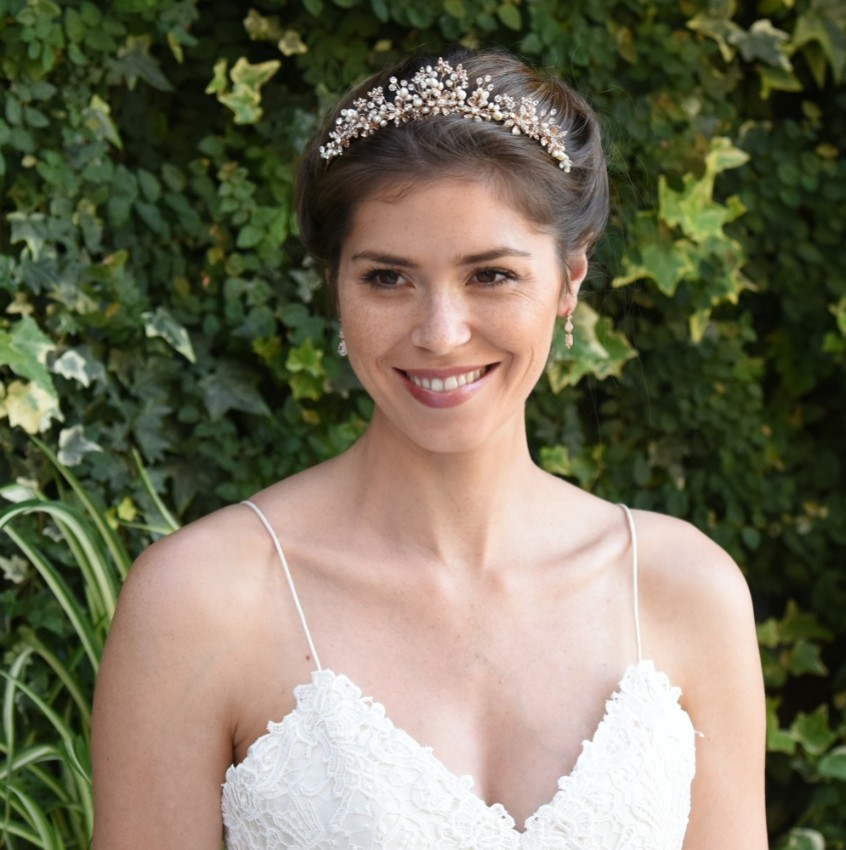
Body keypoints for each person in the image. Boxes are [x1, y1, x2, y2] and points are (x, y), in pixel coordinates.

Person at [91, 48, 767, 849]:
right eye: (387, 278)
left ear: (570, 282)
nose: (441, 334)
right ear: (335, 285)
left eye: (491, 276)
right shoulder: (202, 600)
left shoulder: (684, 590)